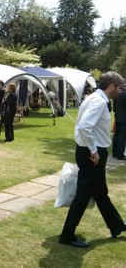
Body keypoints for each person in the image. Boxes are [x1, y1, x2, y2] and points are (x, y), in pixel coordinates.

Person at [60, 71, 126, 248]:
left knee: (100, 192)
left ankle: (117, 225)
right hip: (92, 155)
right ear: (111, 86)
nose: (120, 92)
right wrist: (94, 151)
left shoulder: (94, 98)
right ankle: (67, 236)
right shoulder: (98, 101)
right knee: (83, 195)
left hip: (90, 152)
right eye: (119, 88)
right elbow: (84, 127)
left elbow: (82, 126)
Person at [112, 85, 126, 160]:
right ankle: (120, 154)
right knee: (122, 136)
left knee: (116, 134)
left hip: (117, 116)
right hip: (124, 118)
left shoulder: (117, 94)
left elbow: (114, 107)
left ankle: (115, 152)